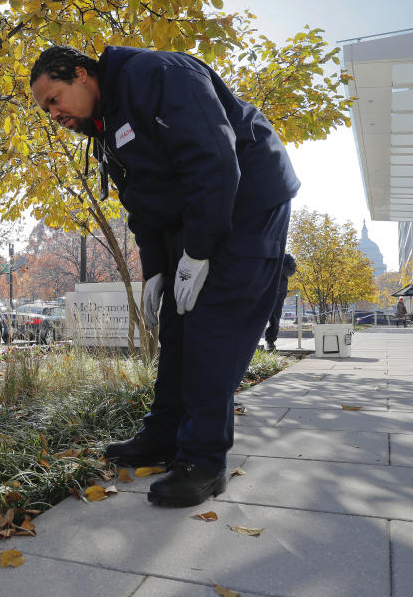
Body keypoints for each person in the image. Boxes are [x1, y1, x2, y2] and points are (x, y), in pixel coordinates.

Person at [30, 45, 298, 508]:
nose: (54, 114)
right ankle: (165, 434)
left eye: (54, 99)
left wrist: (197, 252)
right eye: (46, 109)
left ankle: (204, 461)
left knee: (212, 324)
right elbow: (142, 204)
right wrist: (157, 270)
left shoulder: (157, 74)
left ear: (80, 73)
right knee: (177, 322)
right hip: (194, 214)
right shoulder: (109, 126)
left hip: (246, 201)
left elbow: (213, 157)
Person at [264, 253, 297, 351]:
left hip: (278, 292)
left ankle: (270, 341)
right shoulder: (266, 254)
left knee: (274, 317)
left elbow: (291, 271)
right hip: (262, 290)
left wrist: (277, 268)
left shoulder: (287, 257)